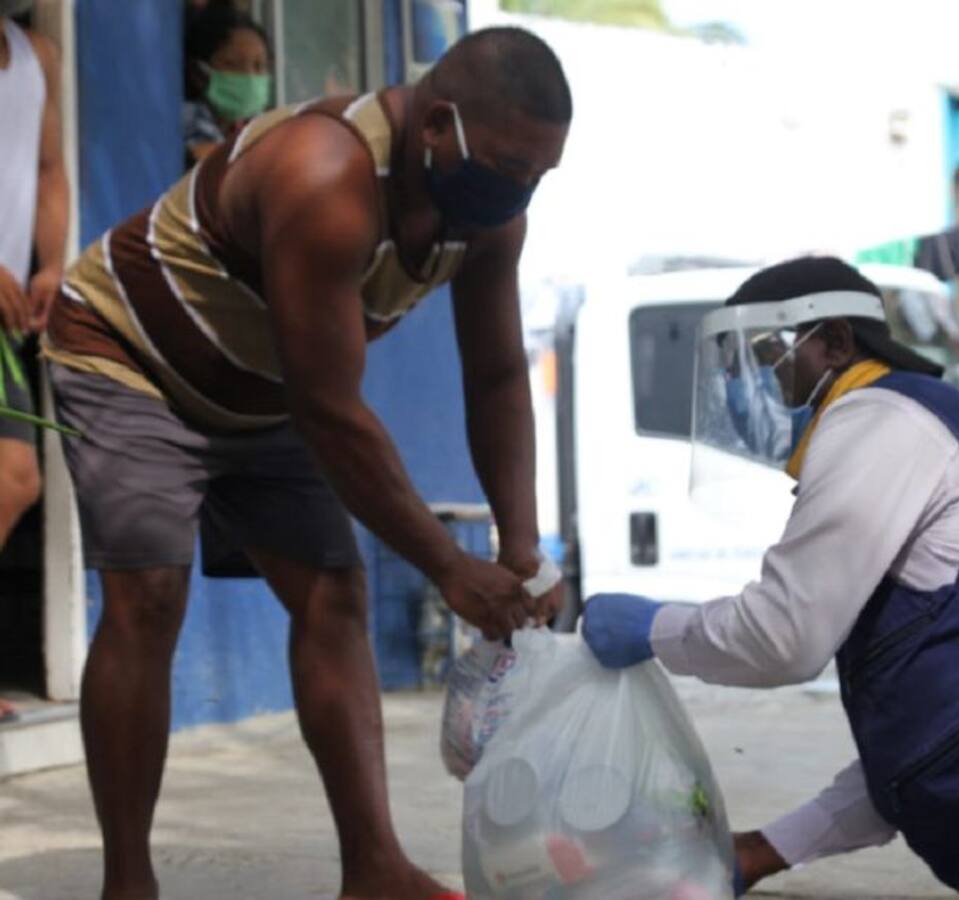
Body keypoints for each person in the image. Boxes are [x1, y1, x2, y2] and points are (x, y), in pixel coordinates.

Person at [43, 26, 570, 900]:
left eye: (542, 174)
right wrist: (446, 565)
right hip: (128, 357)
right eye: (513, 166)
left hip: (264, 387)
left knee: (335, 596)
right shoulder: (325, 176)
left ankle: (375, 870)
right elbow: (329, 410)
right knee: (149, 592)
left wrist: (520, 546)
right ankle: (126, 882)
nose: (523, 190)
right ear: (437, 125)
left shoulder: (487, 219)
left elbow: (498, 373)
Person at [582, 257, 959, 899]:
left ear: (836, 344)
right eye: (736, 366)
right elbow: (930, 741)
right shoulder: (911, 426)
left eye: (764, 354)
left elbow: (781, 637)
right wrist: (766, 851)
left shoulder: (876, 420)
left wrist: (654, 628)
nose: (750, 384)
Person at [0, 0, 68, 724]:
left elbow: (48, 170)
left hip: (10, 314)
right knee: (13, 476)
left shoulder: (37, 57)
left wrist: (50, 264)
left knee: (14, 480)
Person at [183, 2, 272, 166]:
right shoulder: (186, 121)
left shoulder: (258, 129)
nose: (250, 77)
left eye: (259, 66)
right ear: (198, 73)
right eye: (232, 64)